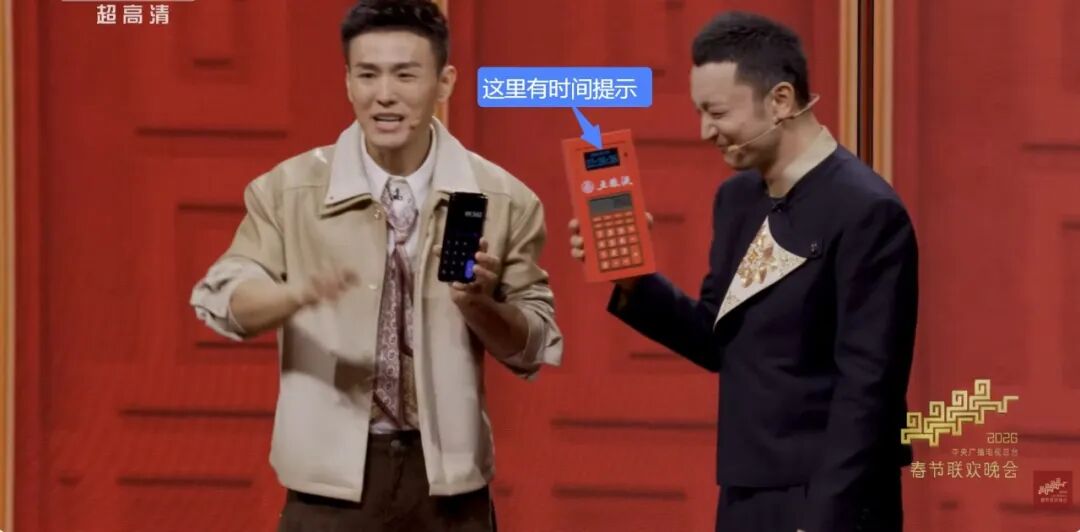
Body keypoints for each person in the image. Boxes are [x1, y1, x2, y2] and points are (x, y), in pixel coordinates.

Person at [189, 1, 563, 530]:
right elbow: (226, 301)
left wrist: (479, 305)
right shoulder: (287, 191)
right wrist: (293, 295)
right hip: (327, 488)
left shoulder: (503, 199)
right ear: (347, 82)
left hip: (449, 490)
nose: (384, 94)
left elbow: (532, 347)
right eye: (367, 74)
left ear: (445, 82)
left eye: (405, 75)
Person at [568, 11, 917, 532]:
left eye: (717, 113)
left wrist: (826, 517)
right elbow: (718, 340)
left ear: (780, 100)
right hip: (745, 492)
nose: (705, 131)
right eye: (700, 113)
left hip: (833, 498)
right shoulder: (735, 200)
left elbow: (868, 392)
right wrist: (634, 282)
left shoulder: (867, 211)